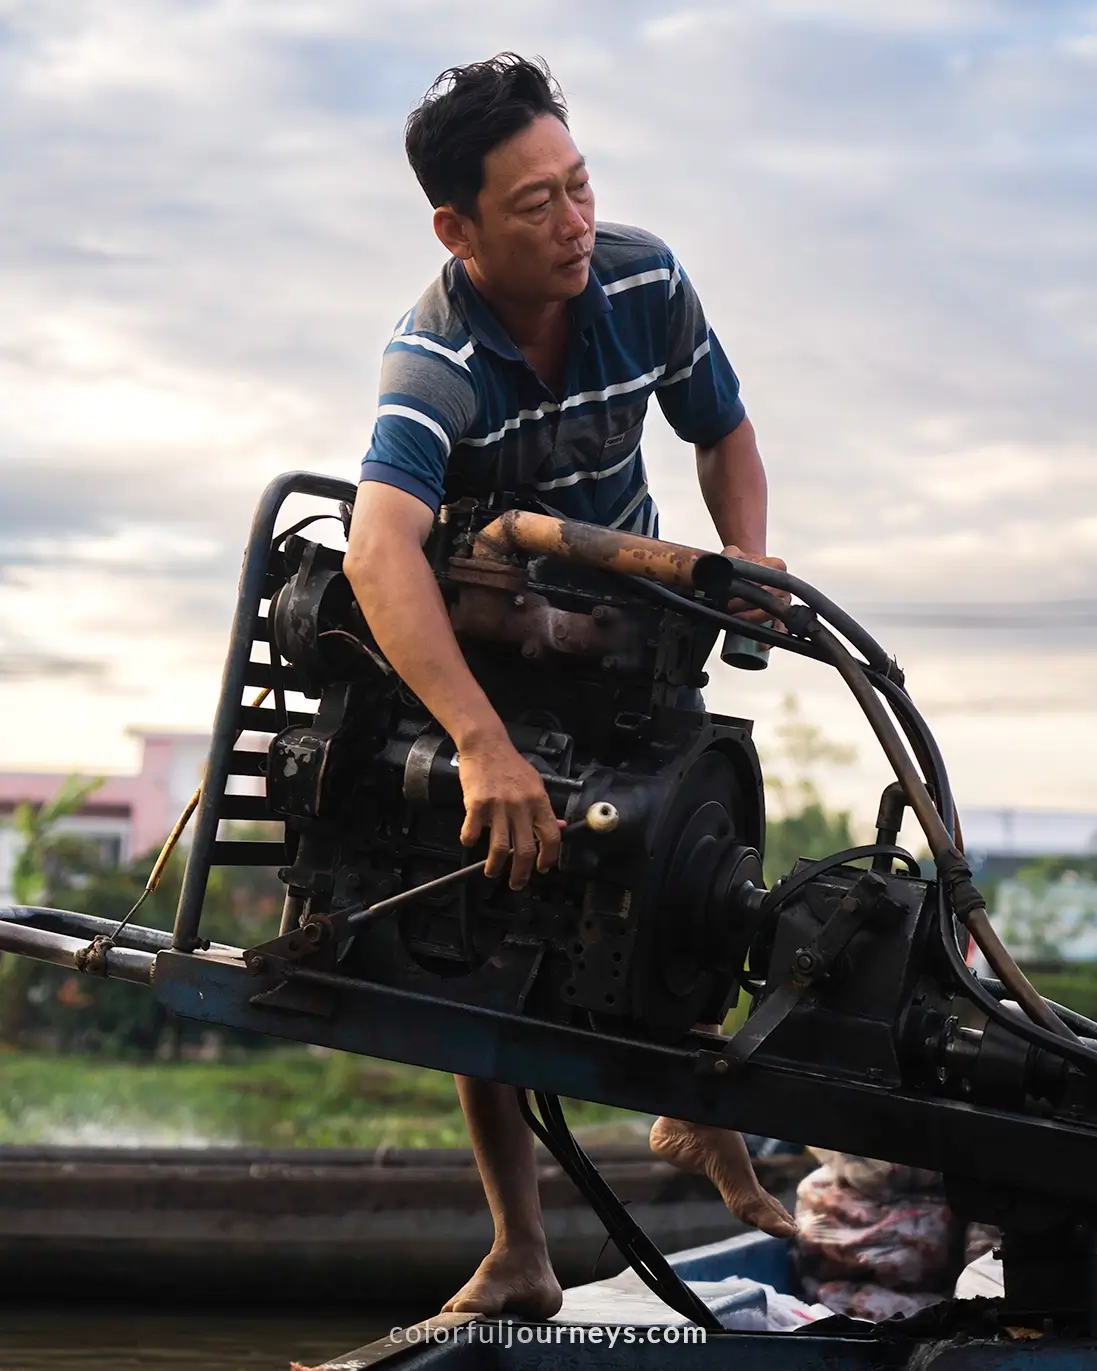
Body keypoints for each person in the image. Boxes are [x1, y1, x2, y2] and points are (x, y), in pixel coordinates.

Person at [342, 53, 796, 1318]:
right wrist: (481, 747)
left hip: (636, 630)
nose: (572, 222)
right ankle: (520, 1252)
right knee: (492, 923)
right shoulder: (435, 358)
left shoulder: (642, 279)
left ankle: (692, 1116)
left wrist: (746, 559)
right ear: (458, 227)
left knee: (687, 865)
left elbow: (723, 428)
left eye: (578, 185)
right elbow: (379, 548)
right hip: (496, 656)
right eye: (534, 204)